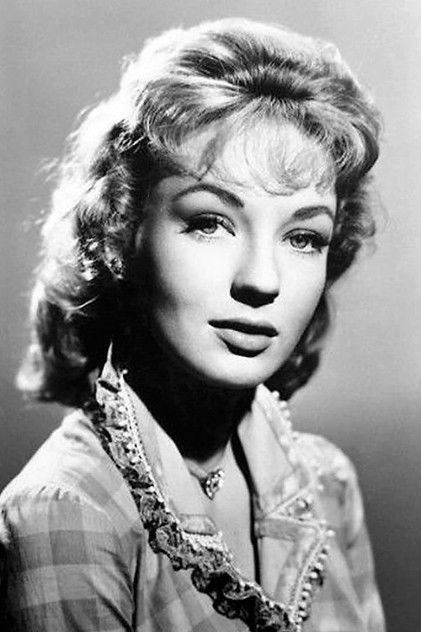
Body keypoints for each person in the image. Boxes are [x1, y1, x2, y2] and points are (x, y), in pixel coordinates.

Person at [0, 18, 385, 632]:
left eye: (304, 237)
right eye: (209, 222)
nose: (262, 280)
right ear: (119, 234)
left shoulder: (328, 484)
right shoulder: (68, 513)